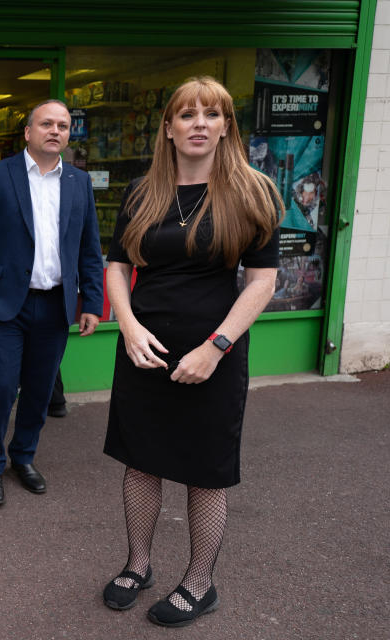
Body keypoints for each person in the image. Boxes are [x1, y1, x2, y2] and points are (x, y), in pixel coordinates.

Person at [100, 77, 282, 627]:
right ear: (169, 128)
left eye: (211, 114)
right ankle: (138, 565)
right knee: (140, 463)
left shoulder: (254, 192)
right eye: (186, 114)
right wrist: (128, 327)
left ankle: (200, 584)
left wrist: (216, 348)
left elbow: (263, 283)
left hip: (213, 354)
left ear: (227, 125)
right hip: (144, 349)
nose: (198, 123)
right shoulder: (142, 192)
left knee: (205, 472)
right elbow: (115, 267)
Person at [0, 99, 106, 506]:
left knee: (40, 391)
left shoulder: (78, 182)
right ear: (28, 132)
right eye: (46, 124)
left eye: (62, 125)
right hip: (5, 306)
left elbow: (90, 250)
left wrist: (92, 302)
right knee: (1, 388)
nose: (55, 130)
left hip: (55, 305)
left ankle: (22, 457)